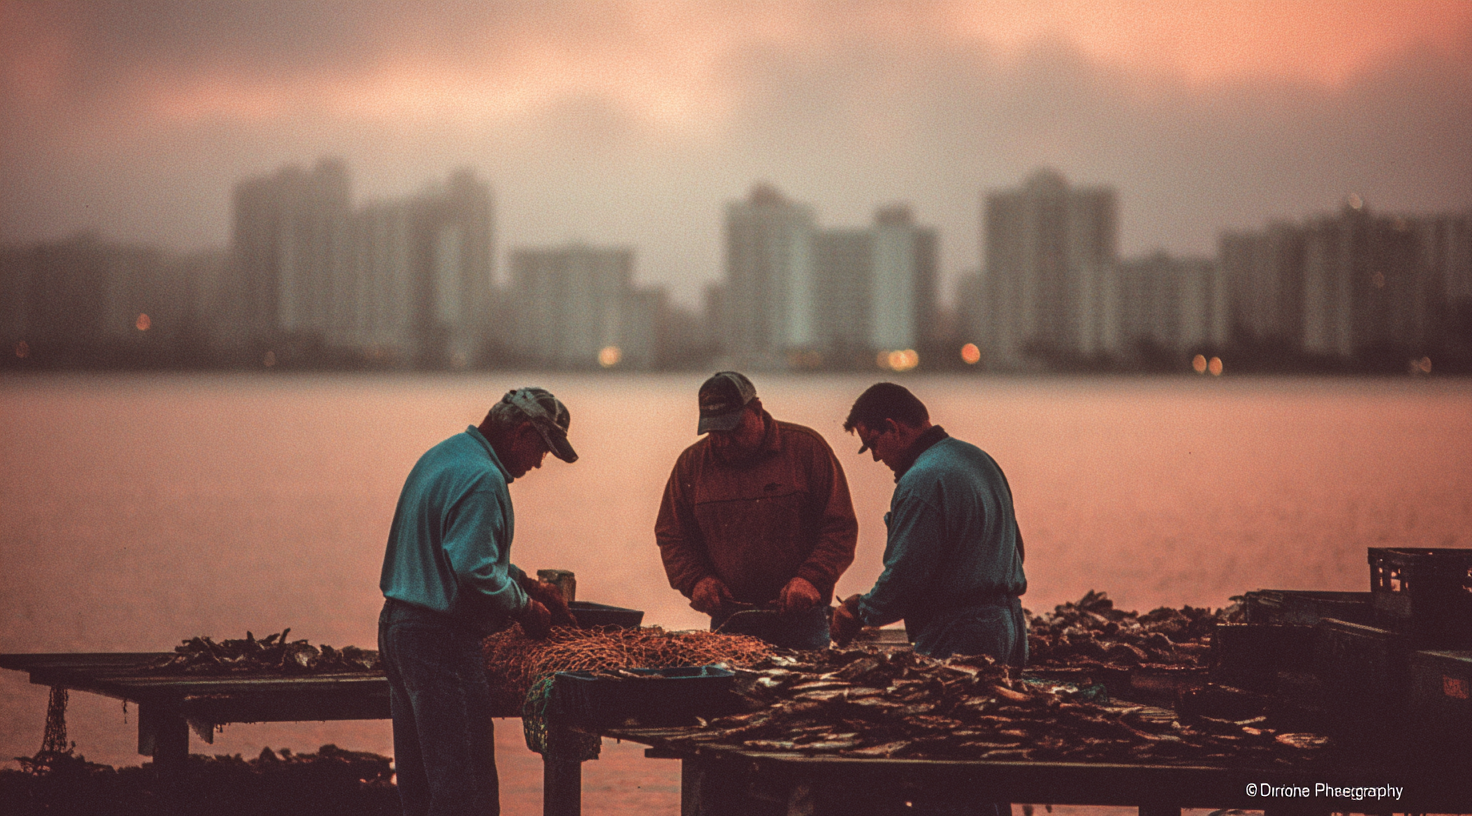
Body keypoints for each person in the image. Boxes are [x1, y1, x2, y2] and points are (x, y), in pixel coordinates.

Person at [378, 387, 579, 816]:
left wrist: (529, 584)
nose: (539, 462)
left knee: (421, 790)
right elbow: (474, 572)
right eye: (540, 448)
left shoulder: (444, 457)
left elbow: (456, 552)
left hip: (398, 630)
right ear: (521, 432)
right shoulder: (484, 480)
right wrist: (525, 609)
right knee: (466, 793)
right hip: (440, 642)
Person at [656, 371, 858, 650]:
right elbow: (672, 536)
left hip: (802, 620)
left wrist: (811, 578)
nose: (724, 441)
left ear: (757, 411)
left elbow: (840, 528)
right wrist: (696, 581)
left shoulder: (807, 449)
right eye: (715, 433)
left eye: (734, 430)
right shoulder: (691, 464)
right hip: (729, 622)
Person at [830, 382, 1028, 665]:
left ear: (893, 428)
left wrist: (862, 611)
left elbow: (905, 576)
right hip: (1010, 629)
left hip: (959, 634)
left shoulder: (921, 482)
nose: (875, 457)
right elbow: (1016, 550)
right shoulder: (979, 460)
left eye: (873, 443)